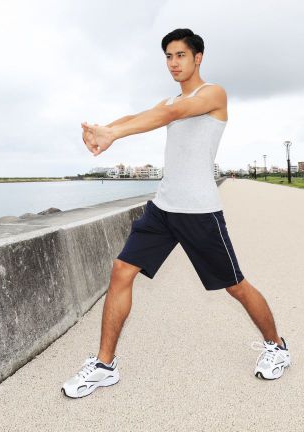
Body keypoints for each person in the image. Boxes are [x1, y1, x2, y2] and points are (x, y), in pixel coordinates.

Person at [61, 28, 290, 399]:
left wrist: (116, 135)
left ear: (198, 58)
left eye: (180, 55)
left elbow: (172, 113)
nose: (173, 63)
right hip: (163, 209)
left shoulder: (212, 94)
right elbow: (146, 113)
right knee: (121, 271)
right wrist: (106, 129)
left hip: (199, 212)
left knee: (236, 286)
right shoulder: (169, 101)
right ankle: (105, 366)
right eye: (168, 56)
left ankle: (277, 346)